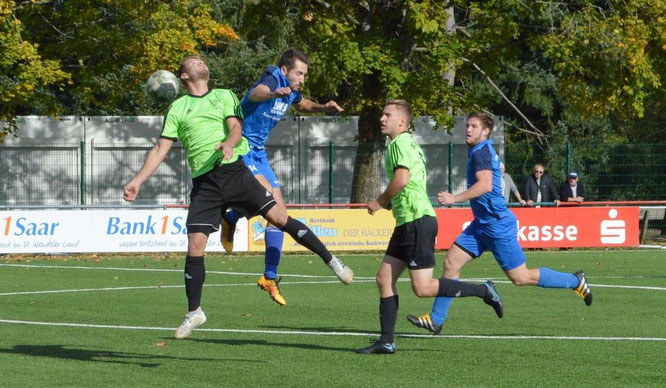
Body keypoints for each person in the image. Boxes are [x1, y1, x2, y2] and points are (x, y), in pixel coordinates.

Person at [122, 55, 353, 340]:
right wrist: (137, 180)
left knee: (279, 217)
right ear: (182, 77)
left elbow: (235, 128)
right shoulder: (177, 108)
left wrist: (230, 145)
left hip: (234, 170)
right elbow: (160, 149)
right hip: (205, 184)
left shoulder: (223, 95)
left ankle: (332, 261)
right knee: (195, 245)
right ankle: (195, 311)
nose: (201, 62)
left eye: (201, 60)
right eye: (193, 62)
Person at [406, 112, 593, 336]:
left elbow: (485, 185)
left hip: (496, 225)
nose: (468, 129)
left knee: (521, 277)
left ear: (485, 131)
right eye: (467, 125)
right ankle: (436, 320)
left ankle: (575, 281)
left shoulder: (481, 152)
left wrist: (454, 199)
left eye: (474, 126)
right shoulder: (480, 151)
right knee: (451, 264)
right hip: (482, 225)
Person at [355, 101, 503, 355]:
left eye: (387, 115)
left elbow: (401, 180)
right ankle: (386, 341)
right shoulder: (409, 143)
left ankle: (483, 290)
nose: (382, 118)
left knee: (422, 288)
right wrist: (393, 203)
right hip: (408, 220)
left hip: (416, 221)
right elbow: (410, 184)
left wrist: (380, 201)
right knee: (384, 278)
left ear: (402, 121)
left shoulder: (399, 144)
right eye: (382, 114)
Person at [221, 49, 343, 306]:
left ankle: (269, 276)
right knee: (268, 205)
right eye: (299, 73)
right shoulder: (272, 79)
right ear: (285, 70)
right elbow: (256, 93)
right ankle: (230, 217)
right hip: (240, 148)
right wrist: (275, 92)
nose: (302, 78)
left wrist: (323, 107)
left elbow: (302, 103)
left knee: (280, 216)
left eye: (305, 74)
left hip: (259, 153)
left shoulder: (291, 89)